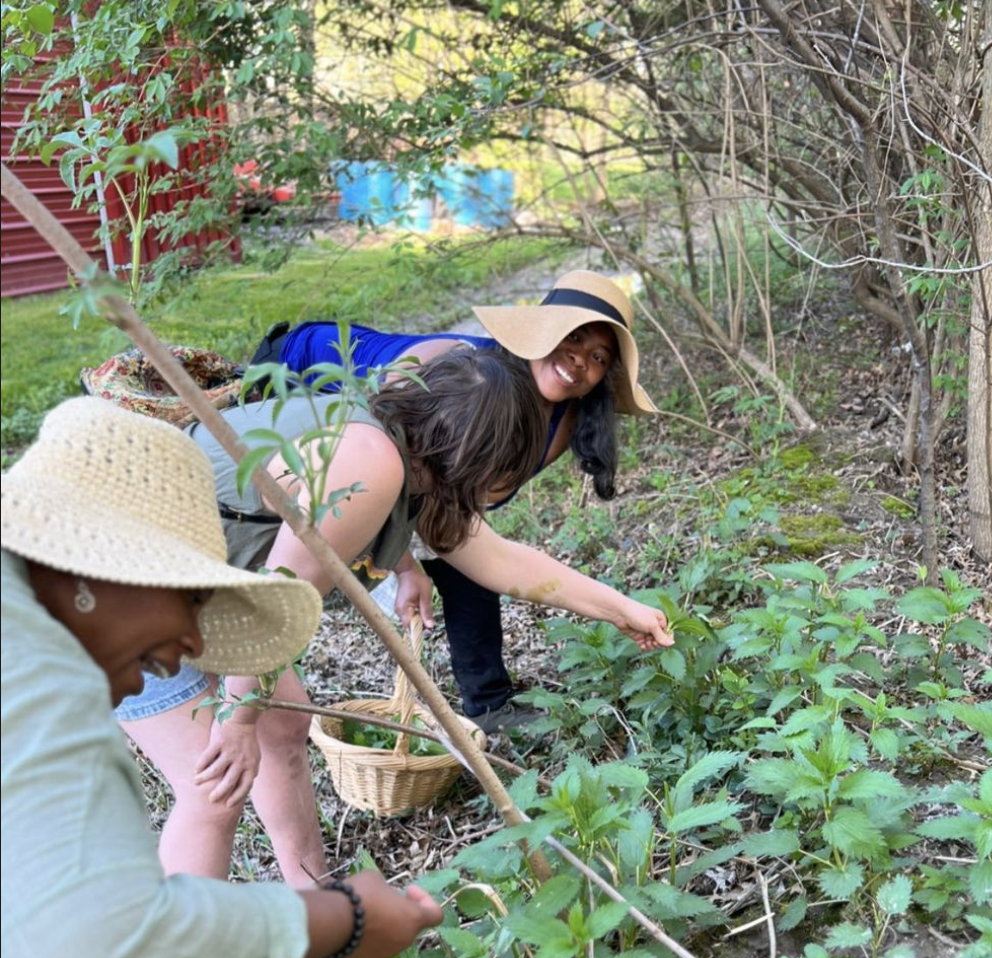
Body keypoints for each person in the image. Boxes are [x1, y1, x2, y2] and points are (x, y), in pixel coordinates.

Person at [118, 341, 672, 889]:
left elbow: (503, 561)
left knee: (282, 722)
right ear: (477, 451)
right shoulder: (372, 462)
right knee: (212, 786)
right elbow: (277, 599)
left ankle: (314, 897)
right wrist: (236, 720)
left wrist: (621, 609)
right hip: (123, 568)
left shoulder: (403, 452)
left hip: (200, 576)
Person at [0, 396, 443, 958]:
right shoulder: (33, 656)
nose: (193, 648)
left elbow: (37, 932)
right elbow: (93, 954)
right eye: (197, 599)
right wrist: (339, 922)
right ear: (110, 576)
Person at [249, 270, 657, 731]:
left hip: (387, 468)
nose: (579, 359)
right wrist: (403, 564)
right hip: (296, 374)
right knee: (285, 550)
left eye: (598, 356)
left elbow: (464, 531)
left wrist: (619, 608)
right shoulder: (461, 373)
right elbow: (371, 472)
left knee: (458, 547)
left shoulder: (561, 417)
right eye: (573, 336)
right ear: (541, 330)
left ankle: (487, 704)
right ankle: (249, 680)